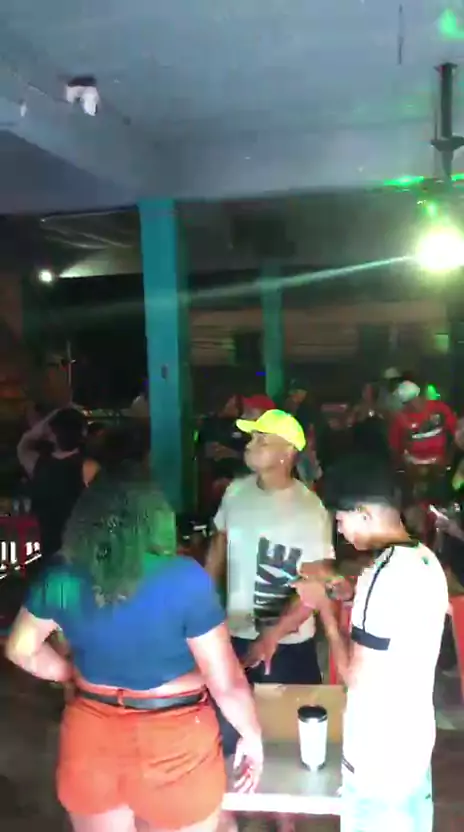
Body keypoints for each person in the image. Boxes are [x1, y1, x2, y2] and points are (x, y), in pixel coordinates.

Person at [5, 464, 263, 832]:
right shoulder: (184, 578)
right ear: (156, 519)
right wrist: (252, 737)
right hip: (175, 740)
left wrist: (69, 672)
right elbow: (227, 684)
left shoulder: (62, 579)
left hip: (91, 734)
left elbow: (20, 648)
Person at [295, 454, 448, 832]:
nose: (340, 531)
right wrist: (350, 595)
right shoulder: (425, 560)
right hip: (412, 749)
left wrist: (324, 608)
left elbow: (356, 678)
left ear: (364, 514)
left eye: (340, 520)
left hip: (377, 762)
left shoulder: (381, 576)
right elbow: (398, 626)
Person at [206, 410, 335, 740]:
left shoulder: (309, 509)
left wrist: (273, 636)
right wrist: (202, 601)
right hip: (236, 632)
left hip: (287, 643)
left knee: (286, 735)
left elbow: (316, 583)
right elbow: (219, 546)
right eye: (252, 438)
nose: (251, 445)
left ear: (287, 452)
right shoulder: (236, 492)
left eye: (262, 440)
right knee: (233, 730)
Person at [17, 406, 99, 568]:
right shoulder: (88, 467)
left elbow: (25, 442)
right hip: (74, 547)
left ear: (52, 434)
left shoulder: (39, 464)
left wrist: (54, 415)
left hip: (50, 546)